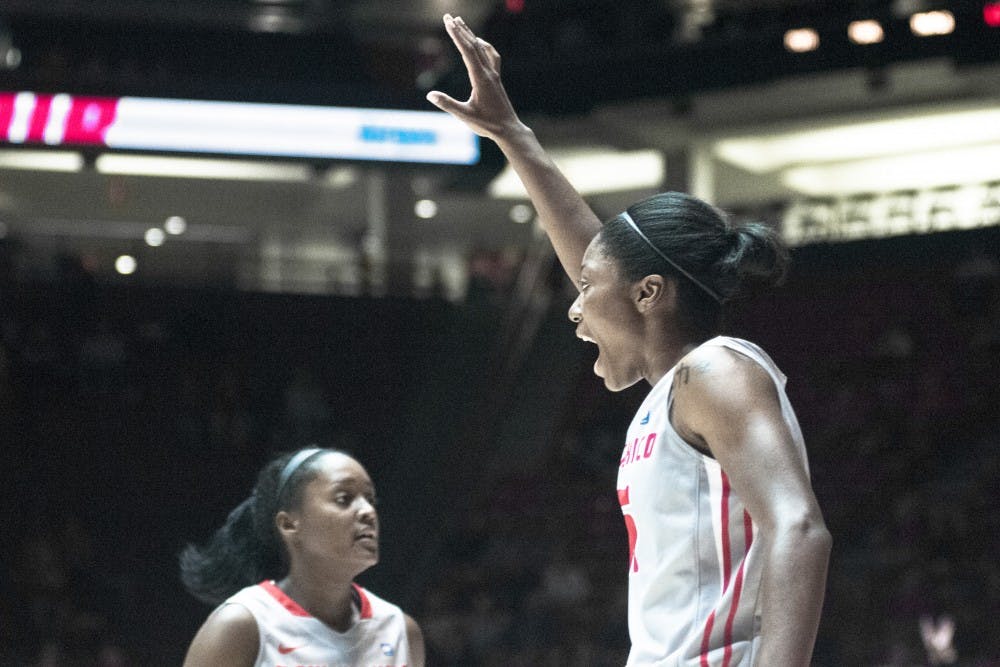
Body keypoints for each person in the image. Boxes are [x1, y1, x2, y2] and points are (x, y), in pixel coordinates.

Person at [427, 14, 831, 666]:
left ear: (649, 294)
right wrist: (514, 136)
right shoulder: (676, 387)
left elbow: (800, 528)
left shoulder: (716, 370)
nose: (575, 309)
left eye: (585, 288)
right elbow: (603, 253)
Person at [179, 447, 425, 667]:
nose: (368, 512)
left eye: (370, 500)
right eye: (344, 499)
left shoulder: (401, 630)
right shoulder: (242, 626)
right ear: (289, 525)